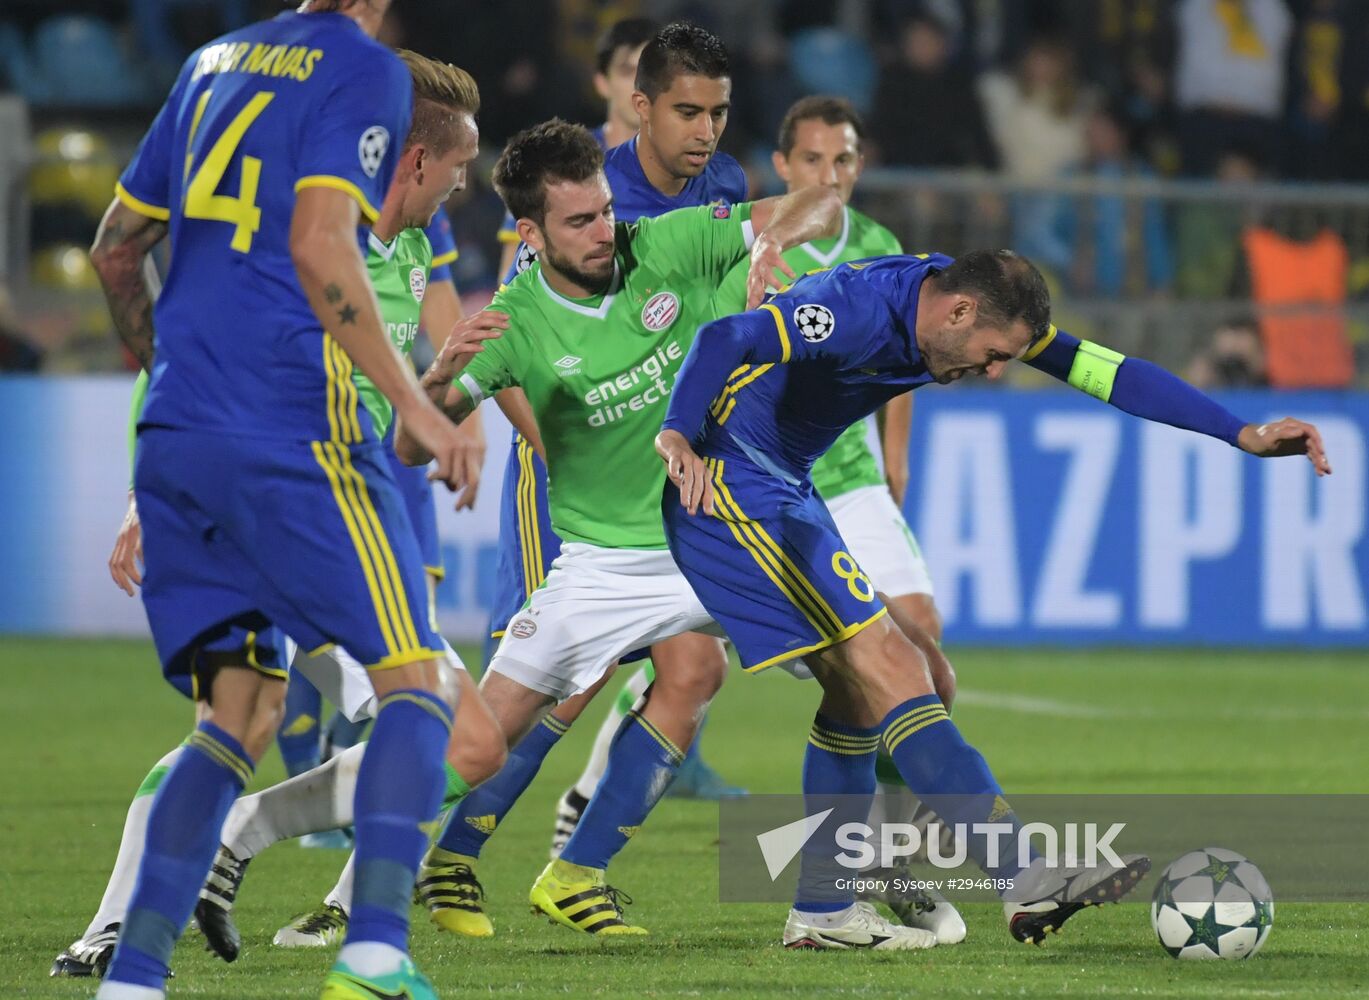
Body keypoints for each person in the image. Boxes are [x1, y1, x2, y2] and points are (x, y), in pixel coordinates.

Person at [655, 250, 1331, 947]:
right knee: (891, 666)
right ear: (956, 313)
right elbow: (723, 338)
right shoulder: (850, 311)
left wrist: (1239, 433)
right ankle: (1020, 874)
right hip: (728, 484)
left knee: (878, 686)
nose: (994, 369)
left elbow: (1103, 371)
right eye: (991, 354)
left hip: (784, 487)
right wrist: (677, 430)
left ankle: (825, 911)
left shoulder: (968, 305)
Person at [84, 2, 479, 996]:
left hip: (179, 429)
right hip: (294, 421)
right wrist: (414, 406)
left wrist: (173, 377)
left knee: (238, 714)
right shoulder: (365, 67)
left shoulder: (212, 62)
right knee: (417, 686)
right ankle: (378, 954)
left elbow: (116, 248)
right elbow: (318, 242)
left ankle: (131, 978)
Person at [395, 118, 848, 939]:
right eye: (580, 221)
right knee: (523, 715)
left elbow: (816, 201)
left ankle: (822, 894)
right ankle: (409, 860)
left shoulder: (663, 242)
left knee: (831, 666)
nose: (606, 232)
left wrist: (769, 239)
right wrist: (434, 381)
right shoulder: (515, 319)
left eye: (604, 212)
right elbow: (411, 439)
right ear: (529, 234)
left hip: (703, 529)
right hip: (598, 534)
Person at [545, 95, 962, 946]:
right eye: (813, 161)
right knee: (686, 670)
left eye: (842, 161)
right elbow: (720, 340)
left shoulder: (883, 251)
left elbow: (918, 363)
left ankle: (866, 860)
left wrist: (897, 461)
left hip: (840, 478)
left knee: (919, 659)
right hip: (756, 471)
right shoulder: (727, 229)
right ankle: (569, 826)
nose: (829, 176)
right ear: (784, 165)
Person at [416, 21, 752, 944]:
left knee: (695, 665)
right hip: (578, 477)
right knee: (556, 685)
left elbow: (733, 309)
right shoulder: (580, 207)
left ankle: (561, 866)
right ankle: (436, 852)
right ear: (637, 108)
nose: (707, 130)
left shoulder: (718, 195)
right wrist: (557, 443)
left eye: (719, 112)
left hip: (676, 488)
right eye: (689, 110)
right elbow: (520, 357)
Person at [494, 17, 658, 279]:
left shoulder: (696, 169)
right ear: (602, 83)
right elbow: (514, 280)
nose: (640, 87)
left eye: (651, 73)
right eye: (627, 72)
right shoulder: (552, 161)